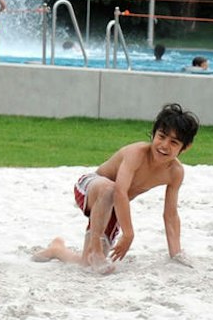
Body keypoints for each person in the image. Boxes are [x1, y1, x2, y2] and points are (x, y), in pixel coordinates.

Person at [34, 103, 198, 271]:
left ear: (185, 147)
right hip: (91, 188)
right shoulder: (137, 153)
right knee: (110, 189)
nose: (164, 145)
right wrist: (128, 234)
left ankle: (57, 249)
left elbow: (170, 214)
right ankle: (96, 251)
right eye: (161, 136)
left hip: (113, 207)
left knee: (86, 265)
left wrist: (175, 254)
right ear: (154, 133)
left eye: (174, 142)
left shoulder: (175, 172)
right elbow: (120, 191)